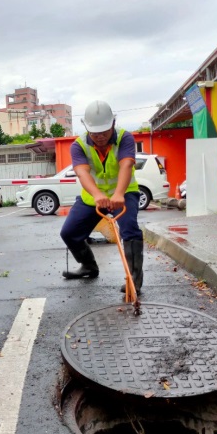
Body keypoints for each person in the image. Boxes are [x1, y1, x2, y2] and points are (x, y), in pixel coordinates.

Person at [60, 100, 144, 293]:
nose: (100, 137)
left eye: (104, 132)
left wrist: (119, 194)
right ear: (86, 127)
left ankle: (134, 280)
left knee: (130, 230)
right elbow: (82, 172)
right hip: (93, 198)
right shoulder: (78, 145)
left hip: (123, 194)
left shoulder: (125, 138)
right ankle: (88, 266)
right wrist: (97, 195)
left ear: (113, 124)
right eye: (95, 133)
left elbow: (126, 165)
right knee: (69, 233)